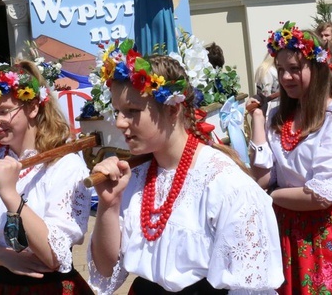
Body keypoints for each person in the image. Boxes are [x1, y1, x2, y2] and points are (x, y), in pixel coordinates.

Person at [88, 44, 283, 294]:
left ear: (171, 109)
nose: (119, 122)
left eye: (132, 111)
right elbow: (106, 269)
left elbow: (250, 286)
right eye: (117, 111)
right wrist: (109, 204)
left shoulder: (225, 182)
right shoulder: (135, 179)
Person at [249, 22, 332, 294]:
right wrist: (258, 119)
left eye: (295, 69)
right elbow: (262, 178)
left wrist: (269, 195)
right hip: (283, 230)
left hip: (323, 230)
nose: (286, 78)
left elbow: (321, 196)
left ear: (316, 68)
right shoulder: (277, 115)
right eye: (281, 70)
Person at [0, 61, 93, 294]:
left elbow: (53, 256)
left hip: (49, 287)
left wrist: (10, 195)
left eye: (3, 112)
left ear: (33, 107)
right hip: (0, 285)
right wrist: (3, 257)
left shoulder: (64, 164)